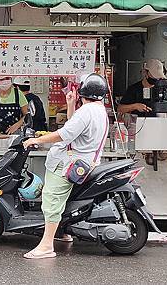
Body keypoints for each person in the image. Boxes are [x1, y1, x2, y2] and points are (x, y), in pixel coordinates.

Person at [22, 73, 109, 259]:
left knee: (52, 200)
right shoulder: (98, 109)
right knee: (66, 200)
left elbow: (64, 134)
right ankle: (63, 232)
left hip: (68, 164)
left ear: (83, 90)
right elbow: (75, 127)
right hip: (84, 163)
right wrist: (70, 105)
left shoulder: (87, 111)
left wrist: (36, 140)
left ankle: (46, 245)